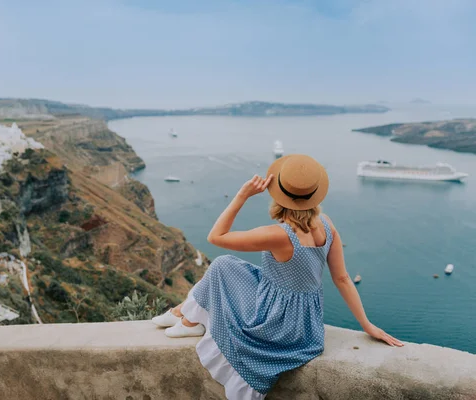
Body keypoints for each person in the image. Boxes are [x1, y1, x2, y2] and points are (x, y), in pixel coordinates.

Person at [152, 154, 403, 399]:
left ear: (279, 195)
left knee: (221, 265)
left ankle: (187, 319)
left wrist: (242, 195)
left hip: (275, 320)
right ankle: (183, 314)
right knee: (229, 265)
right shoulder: (326, 224)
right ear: (314, 195)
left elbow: (216, 236)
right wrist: (367, 325)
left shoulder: (279, 234)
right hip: (305, 327)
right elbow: (343, 278)